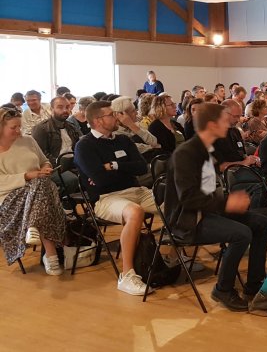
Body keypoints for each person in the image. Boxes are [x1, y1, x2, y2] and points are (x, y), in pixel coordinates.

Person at [164, 102, 267, 311]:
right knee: (242, 234)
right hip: (188, 219)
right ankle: (223, 289)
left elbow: (209, 190)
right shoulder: (186, 153)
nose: (229, 123)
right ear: (212, 125)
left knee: (262, 223)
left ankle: (254, 283)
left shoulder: (207, 150)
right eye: (224, 120)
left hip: (208, 211)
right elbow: (188, 198)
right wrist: (227, 202)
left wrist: (229, 202)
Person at [74, 101, 157, 295]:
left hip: (136, 190)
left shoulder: (123, 140)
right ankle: (127, 275)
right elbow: (99, 179)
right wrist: (122, 169)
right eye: (111, 115)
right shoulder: (84, 145)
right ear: (98, 120)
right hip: (106, 198)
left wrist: (114, 165)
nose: (117, 117)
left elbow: (142, 167)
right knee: (135, 212)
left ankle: (173, 256)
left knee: (173, 201)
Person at [0, 107, 67, 275]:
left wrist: (45, 168)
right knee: (43, 189)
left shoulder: (28, 140)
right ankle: (50, 254)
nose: (18, 131)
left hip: (39, 190)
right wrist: (27, 175)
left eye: (19, 126)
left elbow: (45, 161)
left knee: (41, 185)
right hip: (10, 196)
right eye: (13, 127)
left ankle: (34, 227)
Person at [31, 96, 82, 166]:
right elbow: (40, 154)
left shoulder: (72, 127)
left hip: (74, 163)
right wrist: (57, 163)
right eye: (60, 107)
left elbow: (78, 147)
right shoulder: (41, 128)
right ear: (51, 109)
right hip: (54, 166)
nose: (65, 110)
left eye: (67, 107)